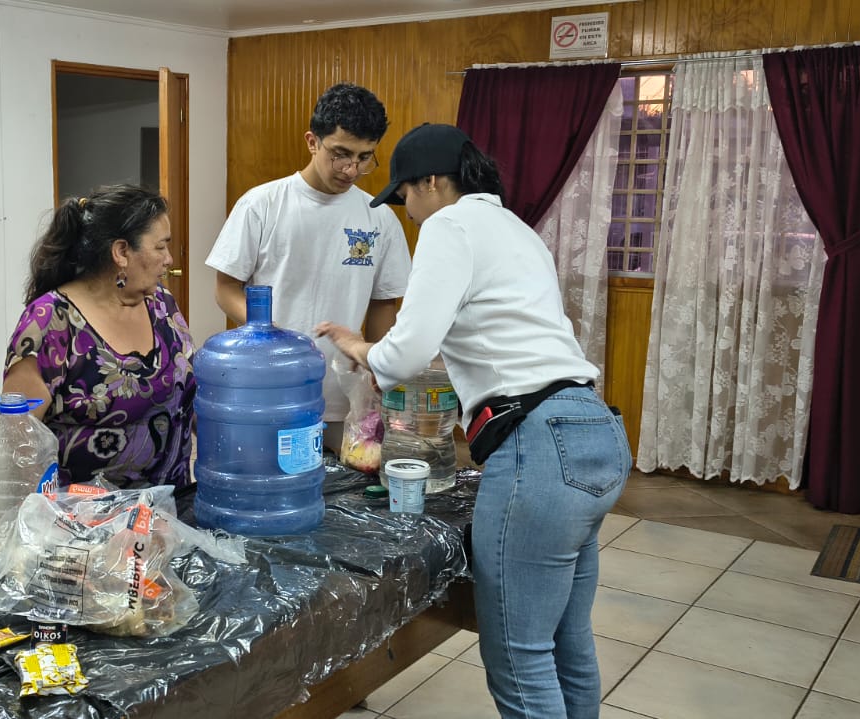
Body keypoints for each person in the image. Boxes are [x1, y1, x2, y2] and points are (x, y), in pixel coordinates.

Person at [315, 123, 629, 719]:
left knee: (518, 652)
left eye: (404, 195)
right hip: (593, 430)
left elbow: (405, 355)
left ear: (432, 181)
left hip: (540, 447)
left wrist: (363, 351)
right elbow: (478, 340)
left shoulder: (449, 225)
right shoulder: (514, 229)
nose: (405, 211)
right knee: (566, 639)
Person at [205, 82, 410, 445]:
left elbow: (383, 304)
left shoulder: (378, 218)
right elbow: (225, 289)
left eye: (365, 157)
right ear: (312, 141)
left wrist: (378, 370)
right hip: (270, 384)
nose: (351, 169)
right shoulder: (262, 204)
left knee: (340, 492)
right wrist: (271, 334)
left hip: (344, 394)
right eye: (341, 153)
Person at [2, 184, 195, 487]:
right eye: (160, 247)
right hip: (85, 524)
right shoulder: (51, 323)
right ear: (121, 252)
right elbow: (16, 447)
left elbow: (190, 399)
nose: (169, 259)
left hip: (170, 516)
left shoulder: (162, 305)